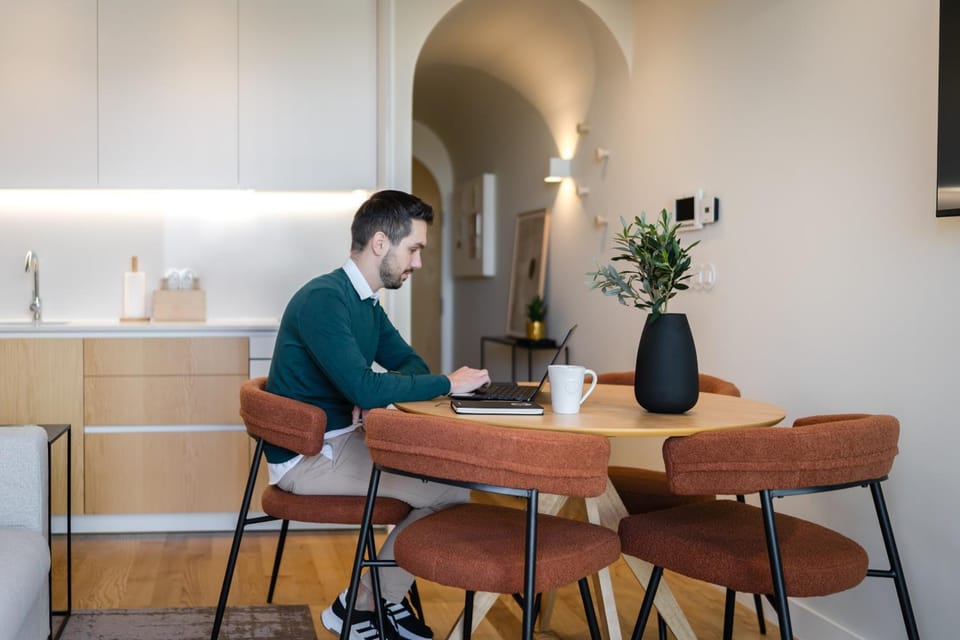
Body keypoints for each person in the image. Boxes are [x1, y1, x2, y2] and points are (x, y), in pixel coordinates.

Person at [265, 189, 490, 640]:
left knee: (449, 483)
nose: (418, 263)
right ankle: (367, 602)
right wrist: (449, 383)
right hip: (308, 459)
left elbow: (409, 365)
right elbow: (374, 383)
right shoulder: (325, 300)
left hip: (340, 442)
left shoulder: (366, 303)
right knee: (449, 494)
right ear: (381, 244)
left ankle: (370, 600)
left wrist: (370, 394)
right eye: (414, 249)